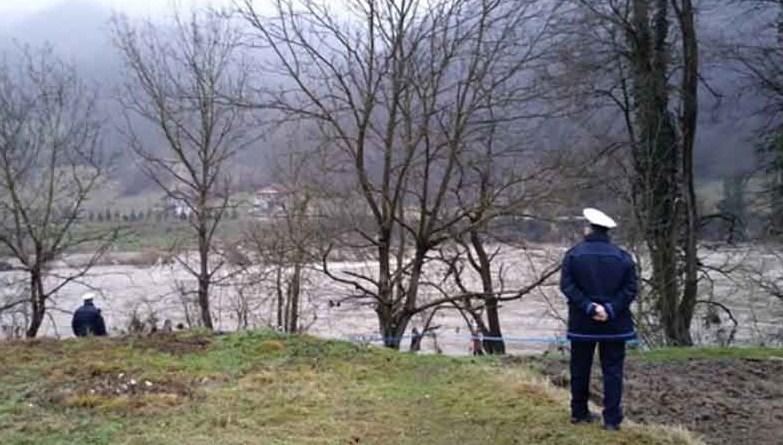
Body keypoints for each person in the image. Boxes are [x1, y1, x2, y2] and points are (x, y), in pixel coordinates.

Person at [560, 208, 637, 431]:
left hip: (582, 324)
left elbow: (567, 286)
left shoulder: (574, 255)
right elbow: (631, 289)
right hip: (615, 325)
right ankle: (612, 420)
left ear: (588, 229)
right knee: (613, 371)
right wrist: (610, 309)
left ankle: (579, 413)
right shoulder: (623, 257)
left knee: (579, 368)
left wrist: (589, 307)